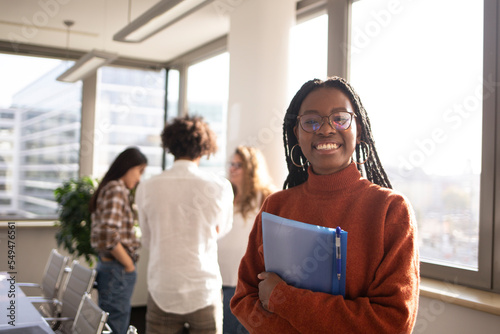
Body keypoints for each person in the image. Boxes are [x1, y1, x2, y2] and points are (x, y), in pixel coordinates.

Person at [230, 77, 420, 333]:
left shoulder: (390, 210)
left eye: (340, 118)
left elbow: (392, 323)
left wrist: (282, 298)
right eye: (311, 121)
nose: (326, 129)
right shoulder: (275, 206)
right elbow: (244, 299)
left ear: (359, 128)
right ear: (296, 133)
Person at [135, 115, 234, 334]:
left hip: (163, 287)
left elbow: (148, 238)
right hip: (204, 289)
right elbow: (221, 229)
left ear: (169, 146)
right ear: (204, 147)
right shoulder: (219, 187)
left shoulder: (147, 187)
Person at [218, 146, 275, 334]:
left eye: (238, 165)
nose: (232, 169)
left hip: (247, 283)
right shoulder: (226, 195)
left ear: (251, 168)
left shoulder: (266, 196)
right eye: (231, 164)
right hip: (223, 278)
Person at [90, 147, 148, 334]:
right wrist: (128, 264)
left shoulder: (110, 187)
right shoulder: (116, 188)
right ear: (127, 166)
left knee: (109, 321)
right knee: (116, 324)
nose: (139, 179)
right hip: (118, 268)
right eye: (139, 171)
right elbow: (108, 234)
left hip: (111, 267)